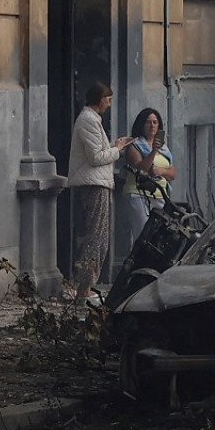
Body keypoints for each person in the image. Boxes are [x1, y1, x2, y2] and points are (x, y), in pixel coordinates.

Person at [67, 82, 133, 304]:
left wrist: (114, 146)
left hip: (98, 181)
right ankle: (84, 287)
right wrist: (118, 150)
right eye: (108, 98)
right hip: (94, 183)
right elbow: (96, 157)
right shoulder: (88, 120)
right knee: (96, 236)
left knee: (100, 236)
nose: (110, 102)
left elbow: (97, 152)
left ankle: (86, 286)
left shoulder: (92, 120)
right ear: (99, 99)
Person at [121, 107, 176, 253]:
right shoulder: (135, 145)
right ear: (142, 125)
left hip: (160, 196)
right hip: (138, 195)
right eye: (148, 122)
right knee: (142, 235)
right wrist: (153, 152)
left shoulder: (164, 148)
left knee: (157, 238)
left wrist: (161, 171)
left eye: (155, 122)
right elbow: (142, 168)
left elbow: (172, 173)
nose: (152, 126)